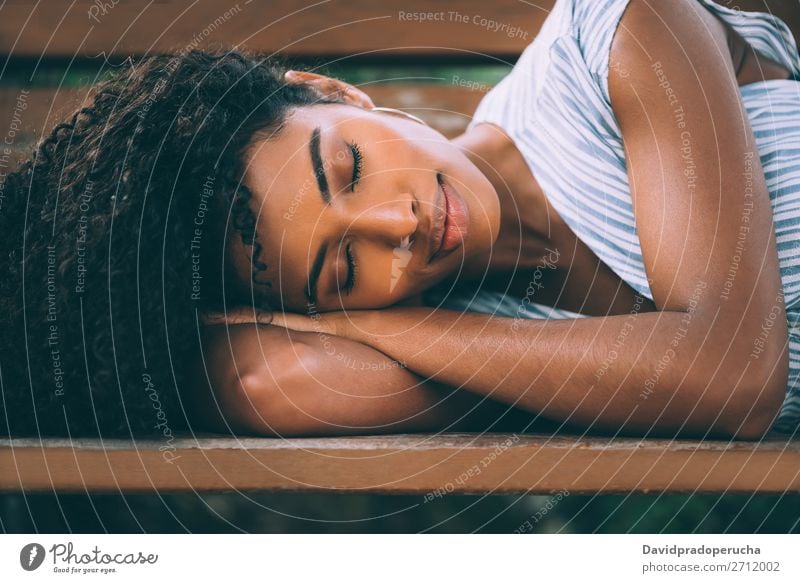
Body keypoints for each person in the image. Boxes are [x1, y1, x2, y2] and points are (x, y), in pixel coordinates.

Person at [2, 0, 798, 440]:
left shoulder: (615, 40)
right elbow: (257, 377)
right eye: (342, 267)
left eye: (347, 167)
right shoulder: (472, 331)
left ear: (335, 92)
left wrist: (373, 325)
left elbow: (734, 374)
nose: (399, 223)